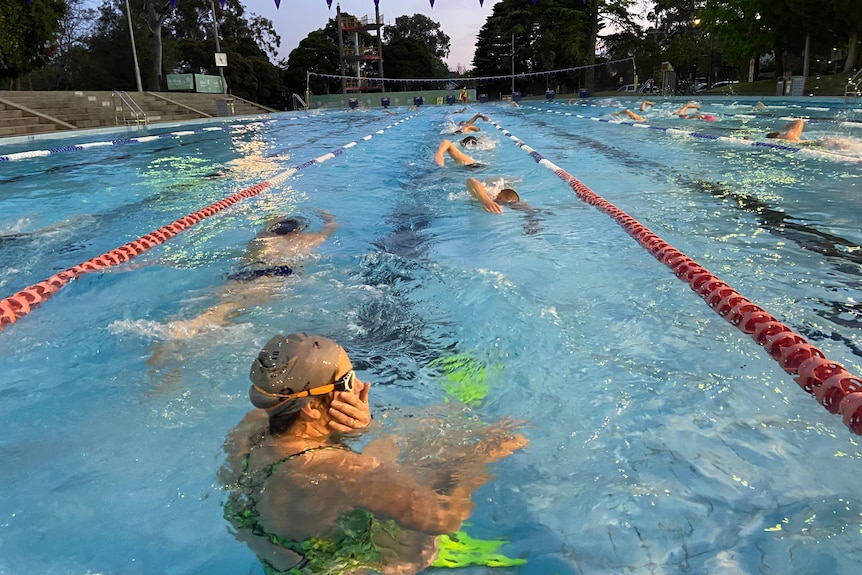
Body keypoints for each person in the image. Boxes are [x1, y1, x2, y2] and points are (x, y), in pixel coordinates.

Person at [221, 332, 528, 575]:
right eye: (346, 381)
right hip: (347, 564)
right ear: (313, 407)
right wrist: (479, 460)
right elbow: (441, 520)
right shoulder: (339, 471)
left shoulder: (250, 429)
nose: (358, 385)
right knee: (438, 460)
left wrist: (355, 430)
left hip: (290, 557)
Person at [162, 212, 338, 339]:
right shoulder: (304, 241)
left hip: (241, 274)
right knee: (227, 310)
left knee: (219, 303)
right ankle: (189, 326)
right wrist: (329, 218)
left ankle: (187, 324)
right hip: (270, 278)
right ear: (297, 231)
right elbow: (331, 228)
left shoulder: (262, 237)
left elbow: (272, 219)